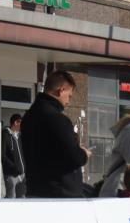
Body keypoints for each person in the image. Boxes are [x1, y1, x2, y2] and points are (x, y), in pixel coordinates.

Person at [20, 70, 91, 198]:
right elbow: (73, 156)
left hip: (35, 190)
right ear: (61, 90)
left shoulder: (29, 117)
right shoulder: (57, 119)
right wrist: (84, 154)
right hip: (60, 194)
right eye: (69, 96)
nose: (68, 102)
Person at [1, 113, 26, 198]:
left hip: (22, 175)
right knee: (11, 200)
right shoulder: (6, 135)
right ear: (16, 122)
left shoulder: (19, 136)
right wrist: (14, 167)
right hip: (11, 175)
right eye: (21, 123)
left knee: (22, 199)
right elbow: (2, 155)